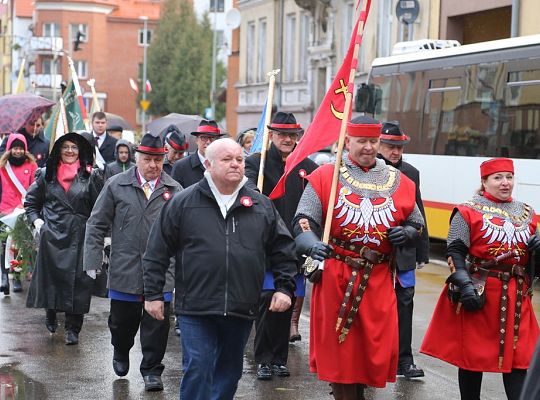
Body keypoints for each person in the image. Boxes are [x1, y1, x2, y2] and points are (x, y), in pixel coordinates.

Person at [142, 138, 297, 400]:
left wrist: (284, 288)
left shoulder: (261, 205)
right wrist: (153, 294)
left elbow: (283, 249)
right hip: (196, 306)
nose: (235, 164)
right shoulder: (184, 203)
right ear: (209, 164)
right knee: (198, 367)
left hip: (241, 305)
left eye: (239, 159)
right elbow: (157, 249)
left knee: (230, 371)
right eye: (227, 159)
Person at [293, 116, 424, 399]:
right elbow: (302, 221)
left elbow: (417, 222)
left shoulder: (398, 179)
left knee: (371, 350)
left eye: (373, 141)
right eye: (361, 141)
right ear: (347, 141)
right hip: (337, 276)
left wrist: (408, 233)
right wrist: (311, 244)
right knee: (341, 353)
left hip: (377, 279)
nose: (368, 147)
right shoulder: (326, 175)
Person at [420, 157, 540, 400]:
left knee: (520, 359)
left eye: (509, 177)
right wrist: (464, 284)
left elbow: (532, 266)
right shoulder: (467, 211)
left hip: (517, 297)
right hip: (482, 293)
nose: (505, 183)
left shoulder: (527, 214)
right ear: (484, 181)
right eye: (498, 178)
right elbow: (455, 251)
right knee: (473, 358)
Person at [83, 133, 180, 391]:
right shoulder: (116, 185)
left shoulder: (174, 190)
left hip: (161, 271)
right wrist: (92, 259)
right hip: (125, 267)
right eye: (148, 159)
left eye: (158, 160)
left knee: (157, 325)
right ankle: (121, 349)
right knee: (121, 322)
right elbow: (96, 223)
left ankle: (151, 369)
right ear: (137, 159)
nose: (153, 165)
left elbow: (185, 233)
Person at [245, 112, 318, 381]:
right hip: (265, 245)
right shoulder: (257, 163)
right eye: (281, 134)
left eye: (292, 135)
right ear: (272, 136)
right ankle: (263, 359)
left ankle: (279, 358)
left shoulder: (307, 166)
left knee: (286, 305)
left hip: (295, 248)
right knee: (267, 303)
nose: (287, 140)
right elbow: (247, 189)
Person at [24, 132, 103, 345]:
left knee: (79, 283)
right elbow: (31, 203)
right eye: (65, 147)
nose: (69, 151)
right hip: (52, 237)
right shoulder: (45, 174)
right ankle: (50, 312)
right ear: (58, 149)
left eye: (74, 147)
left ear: (81, 151)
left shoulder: (91, 175)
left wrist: (102, 237)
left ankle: (73, 328)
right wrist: (39, 224)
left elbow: (99, 208)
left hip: (80, 236)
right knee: (53, 280)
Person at [377, 121, 429, 379]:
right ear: (378, 144)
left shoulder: (411, 172)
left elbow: (418, 211)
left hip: (404, 252)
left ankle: (404, 360)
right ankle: (375, 359)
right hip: (373, 254)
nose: (395, 152)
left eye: (399, 147)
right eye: (389, 146)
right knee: (374, 310)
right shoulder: (365, 171)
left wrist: (422, 251)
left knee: (405, 305)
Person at [0, 134, 38, 295]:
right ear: (10, 149)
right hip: (5, 211)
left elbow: (34, 188)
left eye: (21, 148)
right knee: (4, 245)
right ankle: (3, 275)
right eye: (15, 148)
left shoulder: (32, 165)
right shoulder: (2, 167)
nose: (18, 151)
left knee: (20, 246)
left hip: (23, 211)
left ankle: (16, 276)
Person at [171, 119, 224, 188]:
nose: (208, 142)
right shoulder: (180, 167)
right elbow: (175, 196)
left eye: (213, 138)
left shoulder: (224, 165)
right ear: (196, 140)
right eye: (204, 137)